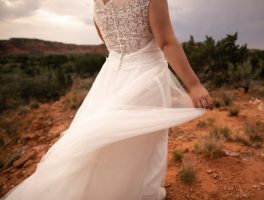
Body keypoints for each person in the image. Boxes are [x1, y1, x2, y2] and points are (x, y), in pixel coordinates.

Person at [1, 0, 212, 200]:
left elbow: (105, 37)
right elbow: (166, 41)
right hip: (146, 75)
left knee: (107, 141)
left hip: (111, 75)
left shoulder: (97, 2)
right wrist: (194, 85)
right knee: (142, 140)